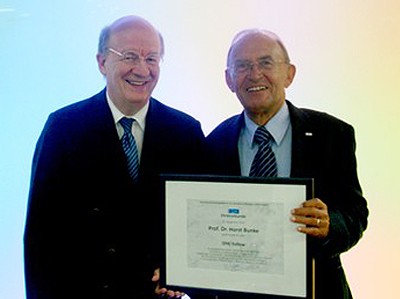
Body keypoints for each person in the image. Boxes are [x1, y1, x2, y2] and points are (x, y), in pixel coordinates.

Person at [24, 15, 205, 299]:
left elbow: (199, 224)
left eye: (152, 59)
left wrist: (183, 273)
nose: (142, 70)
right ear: (102, 62)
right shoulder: (64, 128)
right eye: (130, 56)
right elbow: (40, 237)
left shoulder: (185, 133)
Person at [204, 29, 368, 299]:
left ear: (289, 74)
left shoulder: (332, 134)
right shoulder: (213, 144)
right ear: (229, 80)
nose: (255, 74)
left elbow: (355, 213)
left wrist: (329, 225)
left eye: (266, 63)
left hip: (318, 289)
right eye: (242, 66)